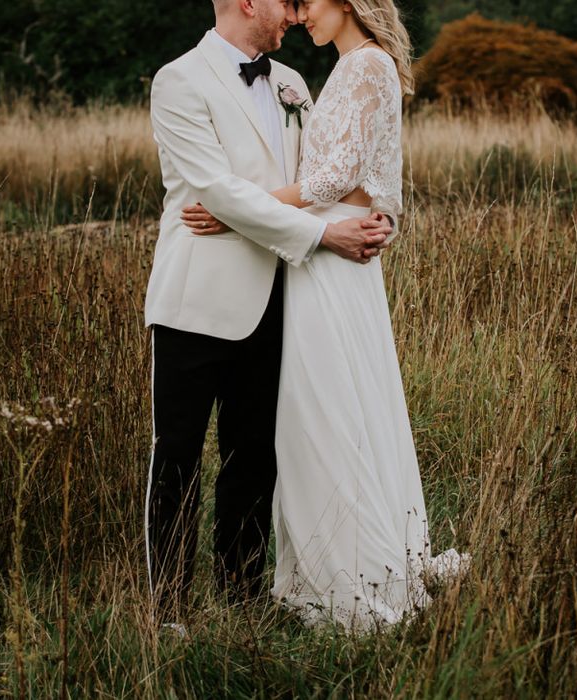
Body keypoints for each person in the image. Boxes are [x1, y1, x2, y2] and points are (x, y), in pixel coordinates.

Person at [185, 0, 470, 631]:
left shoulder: (364, 66)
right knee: (335, 404)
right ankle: (342, 562)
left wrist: (239, 206)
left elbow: (335, 176)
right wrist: (382, 217)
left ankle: (348, 573)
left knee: (325, 409)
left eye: (308, 2)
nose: (300, 14)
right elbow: (365, 180)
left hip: (329, 260)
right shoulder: (349, 69)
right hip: (322, 251)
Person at [144, 0, 394, 632]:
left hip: (279, 296)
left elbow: (332, 169)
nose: (294, 12)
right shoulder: (179, 80)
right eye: (286, 2)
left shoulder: (291, 84)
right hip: (195, 299)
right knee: (177, 454)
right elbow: (216, 193)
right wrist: (323, 238)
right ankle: (168, 610)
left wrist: (377, 208)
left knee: (254, 455)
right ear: (249, 2)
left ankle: (242, 596)